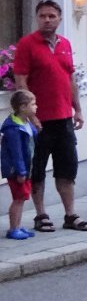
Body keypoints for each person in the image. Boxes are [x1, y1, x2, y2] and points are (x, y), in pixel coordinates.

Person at [13, 0, 87, 232]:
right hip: (38, 121)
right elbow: (20, 81)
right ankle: (41, 215)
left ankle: (70, 215)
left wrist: (77, 109)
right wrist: (30, 116)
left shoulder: (65, 44)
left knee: (67, 169)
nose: (47, 20)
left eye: (51, 16)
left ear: (59, 19)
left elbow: (70, 80)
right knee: (37, 170)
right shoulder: (27, 45)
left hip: (63, 118)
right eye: (42, 16)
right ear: (37, 18)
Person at [2, 89, 40, 240]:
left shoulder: (25, 122)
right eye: (33, 104)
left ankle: (17, 225)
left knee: (22, 197)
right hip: (17, 171)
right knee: (18, 198)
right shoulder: (13, 129)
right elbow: (16, 152)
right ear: (23, 107)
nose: (36, 106)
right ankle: (13, 228)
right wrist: (21, 171)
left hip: (26, 168)